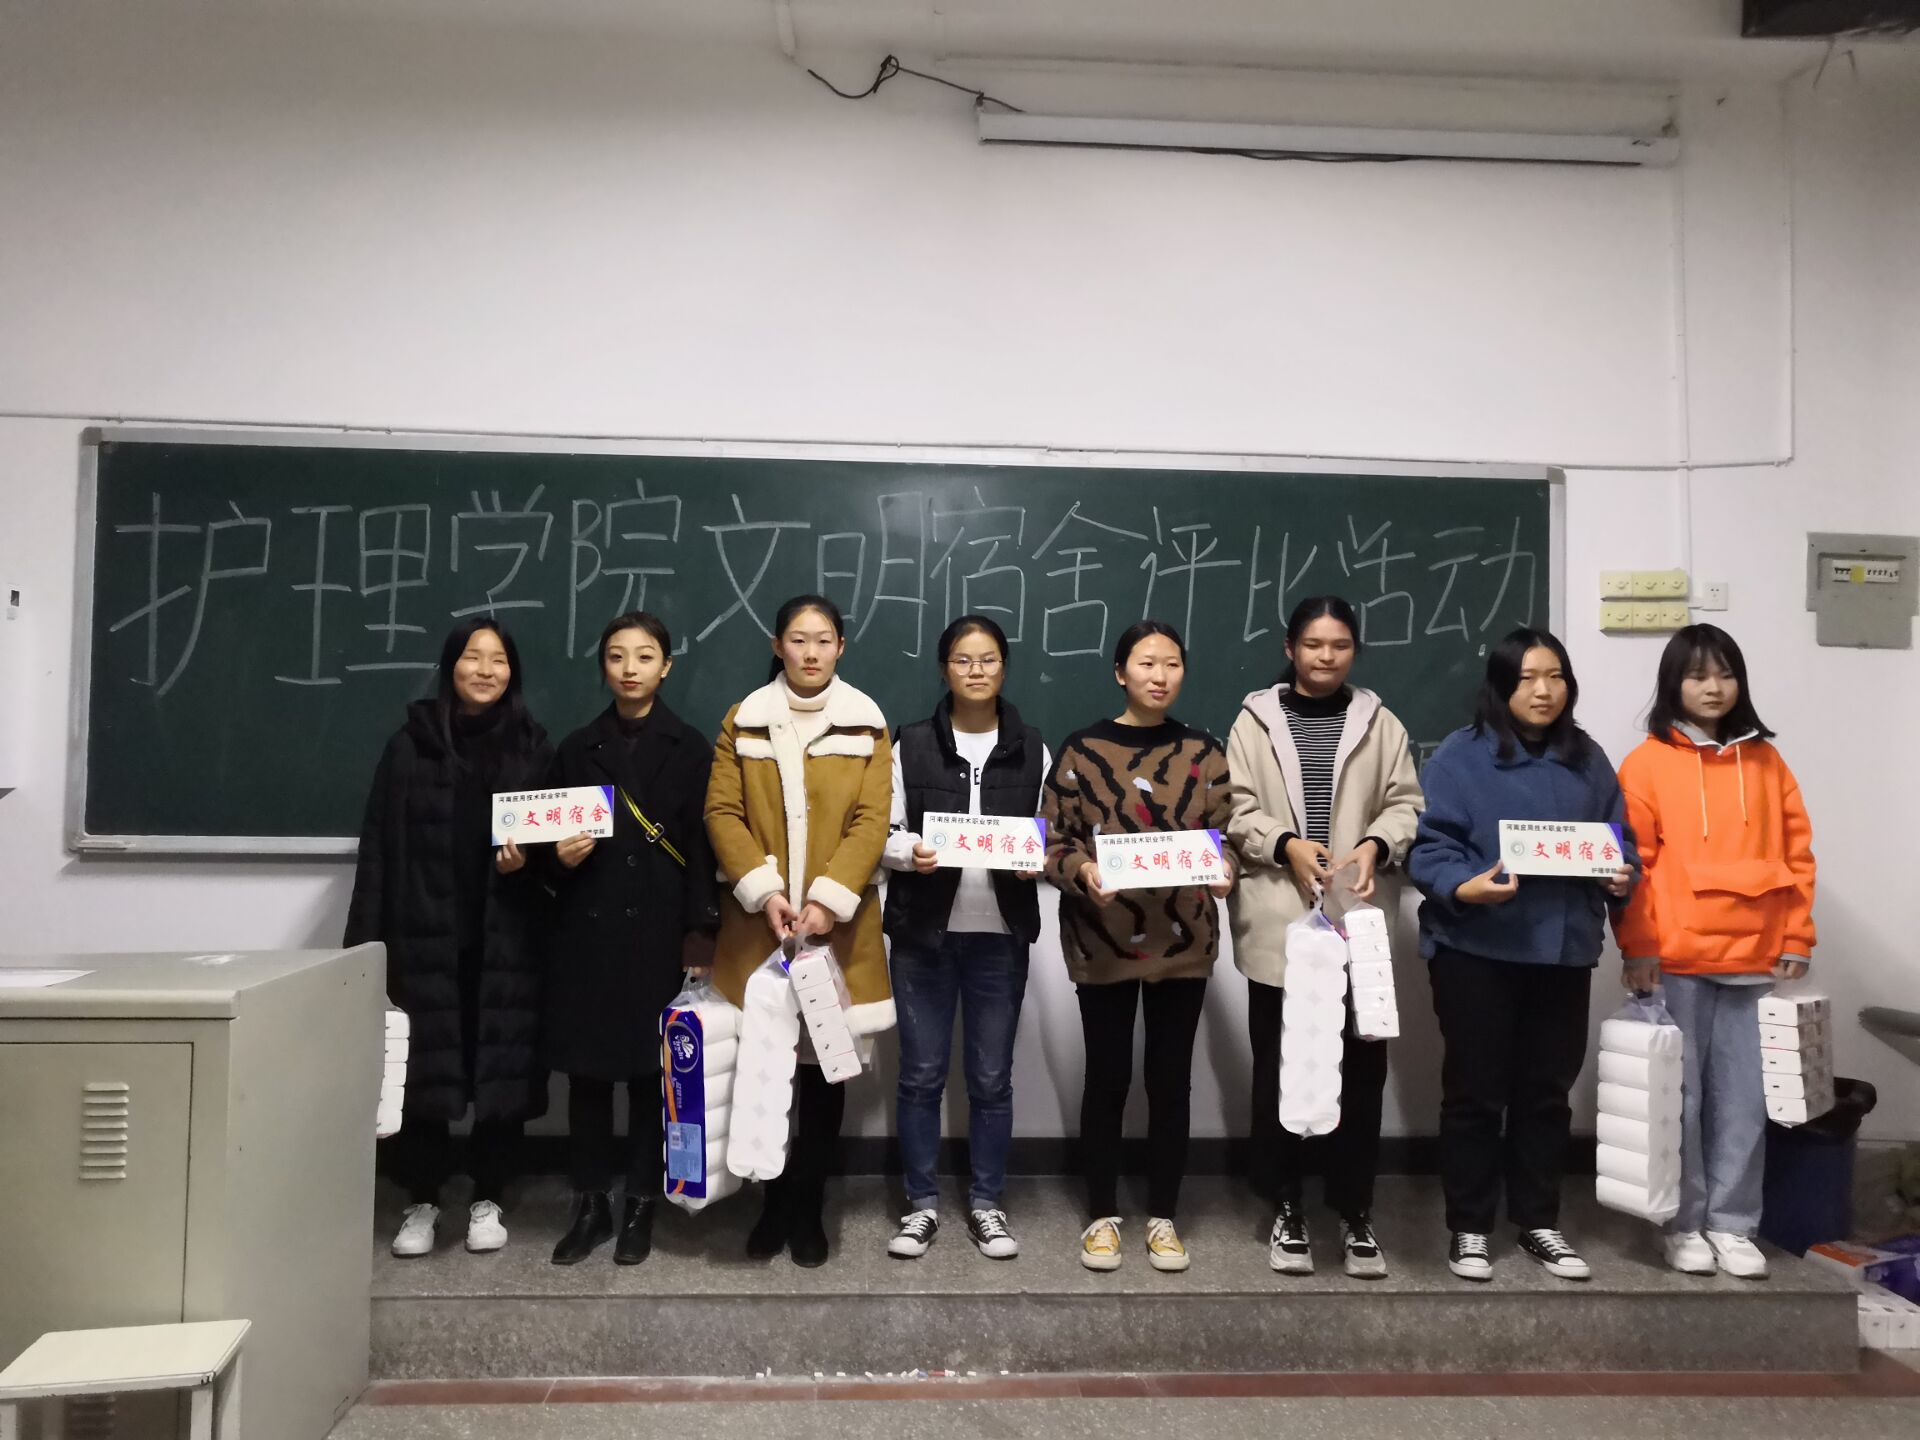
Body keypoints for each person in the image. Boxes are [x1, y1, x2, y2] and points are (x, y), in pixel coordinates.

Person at [1408, 627, 1636, 1284]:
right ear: (1501, 686)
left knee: (1546, 1094)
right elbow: (1429, 848)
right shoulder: (1460, 757)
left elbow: (1620, 842)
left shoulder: (1589, 759)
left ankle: (1539, 1220)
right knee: (1475, 1093)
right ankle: (1470, 1226)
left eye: (1555, 677)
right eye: (1528, 678)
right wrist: (1464, 885)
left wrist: (1621, 873)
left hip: (1562, 953)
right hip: (1477, 950)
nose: (1543, 691)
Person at [1222, 596, 1425, 1279]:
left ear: (1354, 651)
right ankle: (1287, 1204)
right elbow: (1235, 807)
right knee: (1283, 1070)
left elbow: (1406, 804)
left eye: (1339, 645)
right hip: (1280, 925)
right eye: (1313, 644)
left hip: (1356, 923)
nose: (1326, 656)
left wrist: (1375, 845)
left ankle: (1354, 1209)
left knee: (1360, 1074)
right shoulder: (1254, 722)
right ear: (1290, 649)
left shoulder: (1382, 723)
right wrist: (1284, 844)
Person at [346, 618, 554, 1258]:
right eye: (472, 656)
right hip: (423, 935)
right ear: (450, 666)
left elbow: (557, 857)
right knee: (422, 1076)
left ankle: (490, 1197)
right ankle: (422, 1200)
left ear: (513, 672)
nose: (486, 670)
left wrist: (529, 865)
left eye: (499, 659)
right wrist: (364, 952)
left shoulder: (534, 747)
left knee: (501, 1072)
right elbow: (378, 850)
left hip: (506, 938)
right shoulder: (409, 747)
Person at [1614, 624, 1814, 1280]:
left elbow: (1797, 856)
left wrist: (1796, 936)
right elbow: (1633, 865)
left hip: (1755, 958)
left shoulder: (1767, 763)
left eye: (1725, 674)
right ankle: (1680, 1223)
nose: (1713, 688)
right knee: (1680, 1100)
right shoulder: (1645, 763)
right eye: (1698, 675)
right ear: (1673, 684)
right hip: (1676, 959)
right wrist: (1639, 946)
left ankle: (1733, 1224)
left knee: (1745, 1101)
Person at [704, 594, 894, 1267]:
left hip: (838, 929)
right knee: (764, 1070)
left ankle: (809, 1205)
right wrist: (765, 893)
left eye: (823, 640)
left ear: (841, 646)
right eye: (797, 639)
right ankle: (773, 1203)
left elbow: (872, 821)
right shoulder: (744, 720)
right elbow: (722, 812)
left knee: (823, 1076)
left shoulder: (867, 722)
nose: (810, 652)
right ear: (777, 645)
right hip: (759, 929)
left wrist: (827, 901)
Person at [1042, 620, 1235, 1274]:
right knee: (1107, 1077)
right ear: (1120, 672)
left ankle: (1163, 1216)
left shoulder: (1203, 751)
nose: (1160, 675)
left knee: (1171, 1079)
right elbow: (1053, 842)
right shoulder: (1081, 750)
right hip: (1102, 941)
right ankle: (1101, 1214)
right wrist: (1082, 873)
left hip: (1184, 943)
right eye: (1146, 663)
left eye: (1172, 663)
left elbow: (1229, 834)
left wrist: (1226, 868)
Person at [542, 611, 719, 1266]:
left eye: (644, 657)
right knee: (587, 1078)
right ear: (604, 666)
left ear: (665, 667)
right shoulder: (577, 747)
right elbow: (543, 842)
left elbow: (702, 849)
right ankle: (590, 1204)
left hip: (658, 932)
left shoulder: (691, 747)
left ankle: (643, 1202)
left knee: (651, 1077)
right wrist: (557, 857)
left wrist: (700, 938)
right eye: (616, 656)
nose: (629, 669)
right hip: (587, 935)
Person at [881, 615, 1049, 1262]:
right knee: (920, 1076)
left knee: (991, 1080)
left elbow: (1051, 833)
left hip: (999, 937)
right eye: (962, 660)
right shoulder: (910, 743)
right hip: (924, 935)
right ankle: (921, 1205)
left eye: (988, 660)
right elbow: (884, 830)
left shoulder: (1033, 747)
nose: (976, 671)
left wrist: (1039, 859)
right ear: (943, 668)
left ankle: (987, 1203)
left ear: (1004, 667)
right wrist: (910, 852)